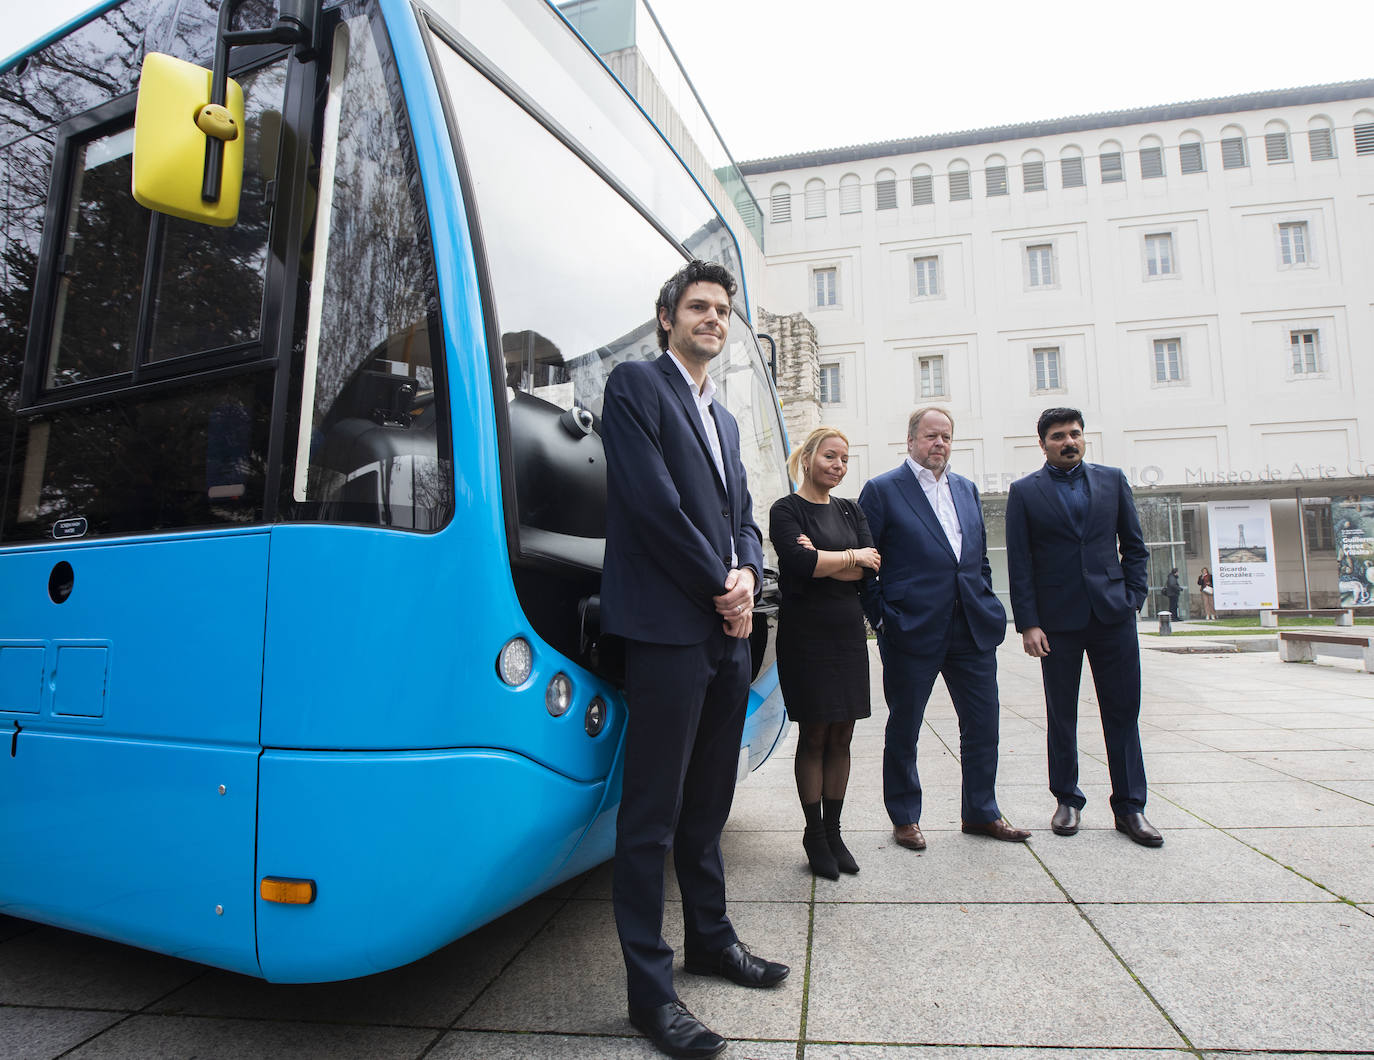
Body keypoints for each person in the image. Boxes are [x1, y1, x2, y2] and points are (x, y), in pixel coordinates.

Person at [600, 259, 789, 1060]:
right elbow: (653, 507)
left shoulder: (727, 417)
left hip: (727, 633)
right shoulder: (637, 388)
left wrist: (746, 571)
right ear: (668, 317)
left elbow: (741, 515)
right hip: (668, 630)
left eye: (723, 309)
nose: (714, 318)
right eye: (700, 307)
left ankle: (711, 940)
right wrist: (722, 583)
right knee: (651, 818)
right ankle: (651, 994)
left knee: (710, 804)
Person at [858, 407, 1031, 852]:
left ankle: (981, 811)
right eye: (932, 436)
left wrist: (986, 598)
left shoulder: (966, 489)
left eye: (947, 437)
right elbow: (865, 563)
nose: (940, 444)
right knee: (905, 726)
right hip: (911, 629)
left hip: (971, 628)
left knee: (982, 725)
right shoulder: (882, 490)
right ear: (911, 439)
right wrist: (881, 618)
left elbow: (977, 557)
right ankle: (905, 817)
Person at [1005, 407, 1163, 848]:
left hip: (1113, 615)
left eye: (1075, 433)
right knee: (1062, 714)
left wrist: (1133, 596)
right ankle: (1067, 800)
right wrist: (1029, 623)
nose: (1068, 441)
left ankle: (1131, 808)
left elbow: (1134, 545)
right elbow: (1020, 563)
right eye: (1058, 436)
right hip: (1057, 622)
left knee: (1123, 712)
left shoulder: (1112, 480)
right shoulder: (1024, 492)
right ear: (1043, 443)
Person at [768, 427, 880, 879]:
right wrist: (845, 559)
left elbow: (870, 568)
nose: (839, 465)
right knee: (814, 734)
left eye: (845, 459)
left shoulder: (851, 510)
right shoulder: (786, 509)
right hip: (806, 637)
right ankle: (814, 835)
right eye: (831, 456)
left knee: (843, 735)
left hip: (847, 635)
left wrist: (835, 560)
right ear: (809, 457)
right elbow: (800, 564)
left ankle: (834, 832)